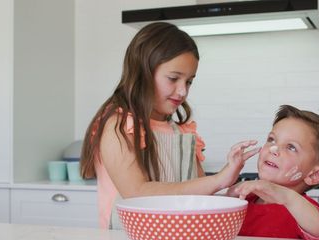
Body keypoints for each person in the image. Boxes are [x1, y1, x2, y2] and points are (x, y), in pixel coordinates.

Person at [80, 22, 260, 229]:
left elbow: (199, 192)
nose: (183, 91)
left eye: (189, 81)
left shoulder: (182, 132)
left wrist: (230, 191)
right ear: (143, 72)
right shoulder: (118, 125)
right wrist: (219, 180)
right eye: (173, 78)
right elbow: (136, 193)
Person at [227, 105, 319, 240]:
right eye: (272, 139)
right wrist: (228, 197)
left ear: (314, 175)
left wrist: (284, 195)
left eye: (291, 147)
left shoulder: (301, 211)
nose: (274, 149)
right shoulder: (246, 199)